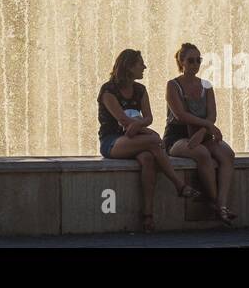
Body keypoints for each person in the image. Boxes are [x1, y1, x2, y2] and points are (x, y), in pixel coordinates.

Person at [98, 48, 201, 232]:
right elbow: (123, 121)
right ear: (129, 67)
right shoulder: (108, 90)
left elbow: (149, 117)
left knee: (148, 159)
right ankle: (179, 184)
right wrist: (147, 131)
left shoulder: (140, 90)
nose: (144, 67)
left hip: (136, 139)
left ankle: (148, 217)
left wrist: (141, 128)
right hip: (112, 141)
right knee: (154, 142)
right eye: (140, 64)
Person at [164, 42, 238, 226]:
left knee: (227, 154)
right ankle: (217, 205)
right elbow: (180, 115)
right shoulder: (173, 85)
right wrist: (206, 126)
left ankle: (221, 202)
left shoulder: (206, 85)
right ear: (181, 62)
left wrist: (203, 131)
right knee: (202, 154)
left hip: (203, 134)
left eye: (199, 60)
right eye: (191, 60)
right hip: (177, 135)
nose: (195, 64)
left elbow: (212, 114)